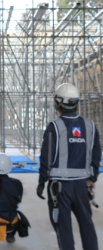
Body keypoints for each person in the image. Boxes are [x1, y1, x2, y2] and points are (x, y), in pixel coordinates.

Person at [37, 83, 101, 250]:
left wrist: (42, 182)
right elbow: (96, 155)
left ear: (57, 103)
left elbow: (47, 158)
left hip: (60, 188)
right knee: (87, 225)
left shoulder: (54, 127)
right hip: (82, 185)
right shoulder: (90, 126)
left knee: (63, 228)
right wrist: (92, 178)